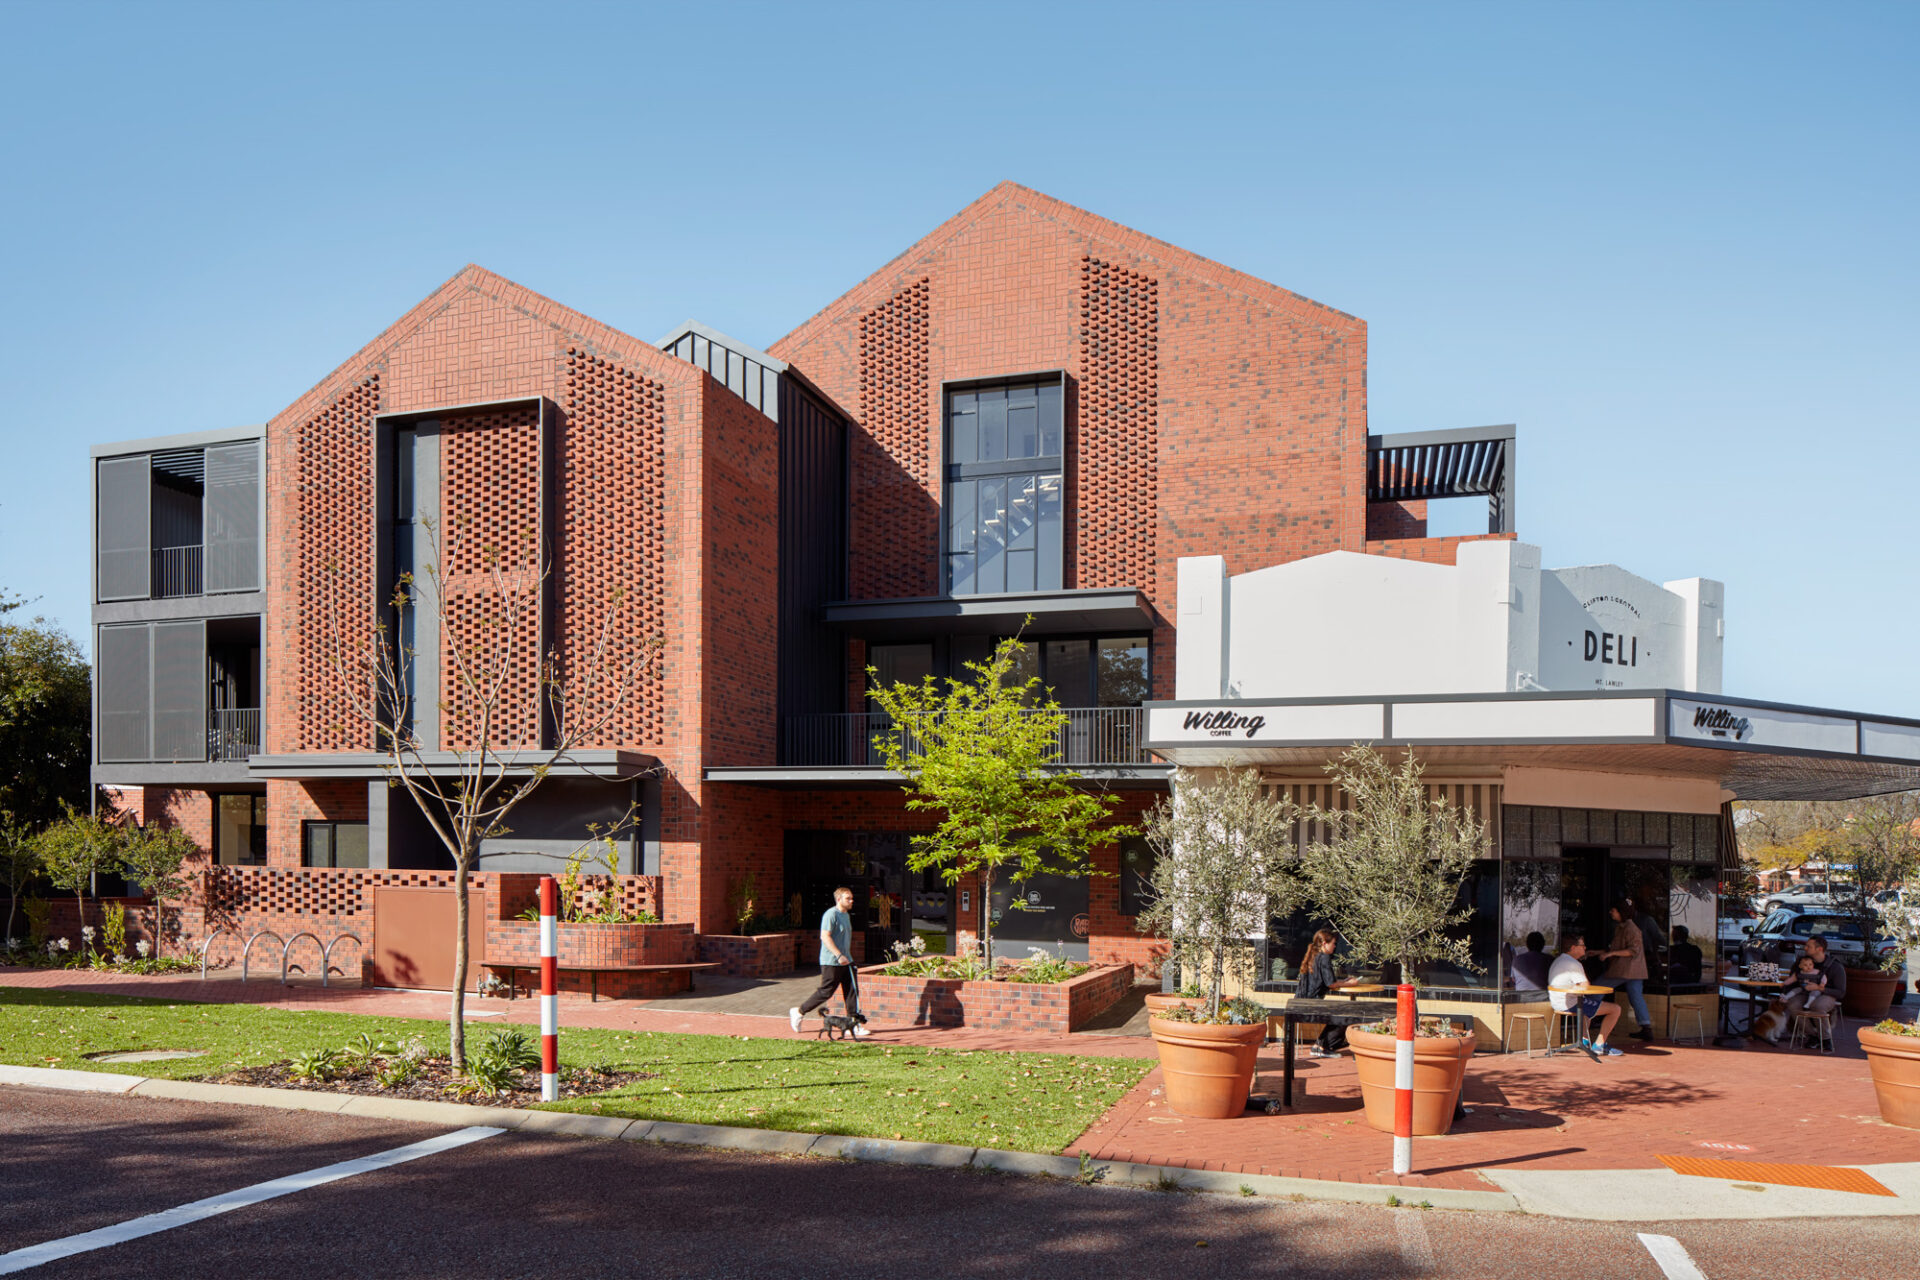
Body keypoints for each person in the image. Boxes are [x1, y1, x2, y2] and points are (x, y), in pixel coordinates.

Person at [791, 887, 869, 1037]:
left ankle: (854, 1024)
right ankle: (799, 1011)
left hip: (847, 961)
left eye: (852, 898)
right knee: (826, 991)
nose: (851, 901)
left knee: (852, 991)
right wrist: (839, 955)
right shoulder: (830, 915)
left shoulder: (846, 915)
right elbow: (825, 937)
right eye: (848, 898)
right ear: (839, 899)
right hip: (832, 961)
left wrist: (848, 958)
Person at [1761, 936, 1847, 1045]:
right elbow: (1791, 982)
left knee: (1817, 1006)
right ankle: (1813, 1035)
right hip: (1803, 992)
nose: (1805, 948)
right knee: (1793, 1004)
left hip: (1826, 994)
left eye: (1808, 946)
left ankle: (1826, 1039)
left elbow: (1841, 992)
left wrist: (1819, 988)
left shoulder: (1835, 967)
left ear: (1819, 949)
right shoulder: (1801, 962)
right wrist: (1785, 995)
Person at [1549, 933, 1623, 1057]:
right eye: (1582, 945)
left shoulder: (1559, 960)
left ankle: (1584, 1040)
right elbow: (1585, 986)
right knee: (1615, 1009)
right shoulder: (1573, 963)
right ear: (1573, 948)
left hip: (1557, 1002)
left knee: (1586, 1007)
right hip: (1569, 1003)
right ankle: (1599, 1044)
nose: (1585, 948)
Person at [1595, 898, 1653, 1042]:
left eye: (1613, 910)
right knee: (1635, 996)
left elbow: (1632, 951)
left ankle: (1587, 1016)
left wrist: (1610, 954)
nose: (1611, 913)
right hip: (1636, 970)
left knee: (1596, 988)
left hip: (1625, 969)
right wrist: (1597, 952)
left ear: (1621, 912)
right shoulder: (1623, 927)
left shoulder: (1630, 929)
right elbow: (1617, 948)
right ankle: (1646, 1028)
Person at [1295, 928, 1351, 1057]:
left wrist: (1342, 981)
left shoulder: (1313, 955)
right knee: (1344, 1014)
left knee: (1339, 1011)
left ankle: (1319, 1045)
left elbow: (1327, 980)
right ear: (1325, 943)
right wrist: (1349, 983)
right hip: (1312, 1005)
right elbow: (1331, 983)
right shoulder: (1324, 957)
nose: (1335, 946)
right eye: (1334, 943)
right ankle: (1326, 1046)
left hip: (1300, 1003)